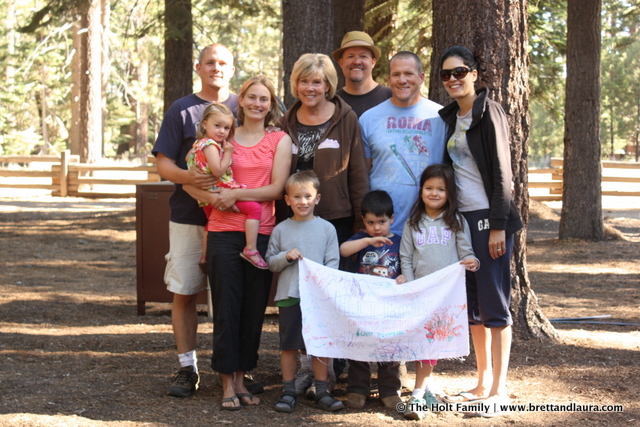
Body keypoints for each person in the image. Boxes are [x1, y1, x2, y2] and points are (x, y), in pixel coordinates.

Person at [184, 75, 292, 410]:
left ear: (270, 104)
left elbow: (276, 190)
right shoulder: (221, 135)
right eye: (252, 97)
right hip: (221, 231)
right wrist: (213, 198)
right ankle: (226, 381)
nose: (258, 104)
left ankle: (243, 378)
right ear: (241, 99)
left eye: (265, 99)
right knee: (227, 308)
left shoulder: (279, 139)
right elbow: (192, 181)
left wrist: (236, 193)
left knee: (253, 309)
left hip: (260, 233)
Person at [437, 46, 523, 418]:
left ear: (474, 74)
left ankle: (499, 389)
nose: (453, 79)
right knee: (473, 305)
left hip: (490, 219)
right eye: (446, 75)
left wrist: (498, 226)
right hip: (463, 220)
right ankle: (481, 381)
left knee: (495, 302)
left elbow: (504, 173)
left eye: (460, 72)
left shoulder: (490, 113)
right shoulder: (451, 117)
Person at [277, 53, 370, 398]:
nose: (310, 88)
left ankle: (332, 368)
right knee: (301, 300)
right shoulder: (287, 121)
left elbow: (358, 173)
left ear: (329, 85)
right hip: (296, 222)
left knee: (331, 297)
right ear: (295, 84)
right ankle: (306, 370)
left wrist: (361, 225)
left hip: (336, 222)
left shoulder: (346, 118)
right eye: (304, 81)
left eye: (317, 82)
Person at [152, 43, 238, 398]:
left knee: (229, 296)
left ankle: (230, 369)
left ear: (232, 68)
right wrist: (191, 181)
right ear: (198, 67)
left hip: (230, 216)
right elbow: (163, 164)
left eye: (222, 63)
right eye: (210, 62)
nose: (216, 68)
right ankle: (187, 368)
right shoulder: (181, 110)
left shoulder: (243, 106)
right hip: (189, 217)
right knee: (186, 290)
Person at [397, 164, 479, 420]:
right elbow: (406, 257)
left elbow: (466, 251)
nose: (434, 193)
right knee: (421, 341)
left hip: (445, 295)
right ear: (421, 190)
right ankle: (422, 389)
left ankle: (420, 391)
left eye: (440, 189)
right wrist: (411, 285)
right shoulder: (413, 223)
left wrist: (472, 261)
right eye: (429, 188)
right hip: (420, 293)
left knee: (431, 342)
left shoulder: (456, 221)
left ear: (449, 193)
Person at [266, 170, 345, 413]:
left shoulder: (327, 229)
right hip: (290, 296)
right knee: (289, 345)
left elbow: (333, 263)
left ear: (317, 198)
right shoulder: (281, 229)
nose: (303, 201)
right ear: (287, 200)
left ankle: (322, 390)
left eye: (308, 196)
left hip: (319, 299)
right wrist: (285, 256)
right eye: (297, 197)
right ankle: (289, 391)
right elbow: (270, 262)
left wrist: (322, 282)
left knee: (320, 344)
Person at [360, 51, 446, 237]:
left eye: (408, 74)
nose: (402, 80)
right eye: (396, 75)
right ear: (389, 79)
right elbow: (362, 174)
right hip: (382, 228)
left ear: (421, 77)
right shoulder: (369, 119)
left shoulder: (441, 117)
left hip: (428, 226)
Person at [339, 190, 406, 410]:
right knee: (360, 342)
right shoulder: (361, 239)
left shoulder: (399, 241)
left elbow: (408, 263)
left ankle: (389, 390)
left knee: (390, 345)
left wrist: (405, 276)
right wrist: (367, 240)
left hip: (390, 304)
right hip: (363, 303)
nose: (377, 227)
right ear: (363, 221)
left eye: (382, 222)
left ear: (392, 219)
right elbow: (344, 249)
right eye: (370, 222)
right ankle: (357, 389)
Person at [186, 102, 267, 270]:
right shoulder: (210, 146)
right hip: (218, 190)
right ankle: (251, 249)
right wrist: (228, 153)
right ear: (204, 124)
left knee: (210, 220)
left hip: (205, 196)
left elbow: (188, 159)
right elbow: (217, 171)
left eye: (226, 128)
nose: (222, 131)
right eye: (217, 126)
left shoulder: (197, 144)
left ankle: (204, 255)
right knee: (254, 209)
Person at [332, 31, 392, 118]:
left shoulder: (391, 98)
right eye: (350, 56)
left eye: (363, 56)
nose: (356, 62)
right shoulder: (333, 103)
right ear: (341, 63)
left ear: (373, 62)